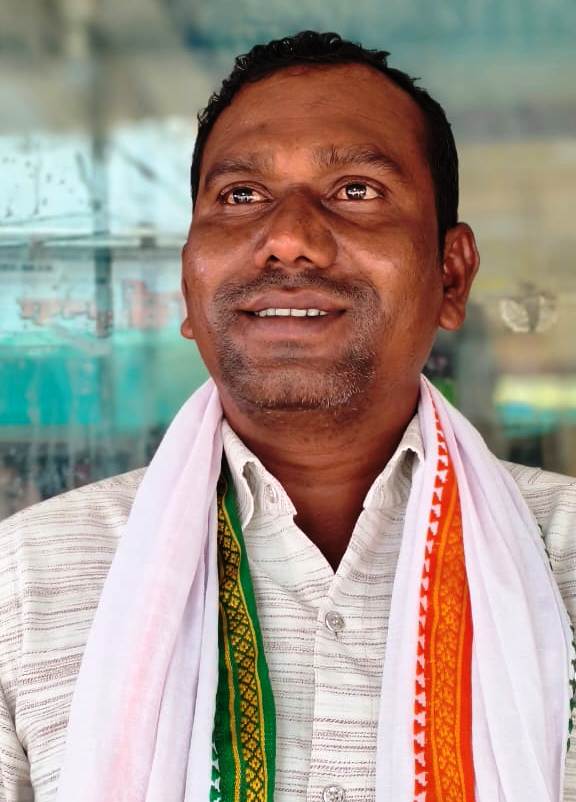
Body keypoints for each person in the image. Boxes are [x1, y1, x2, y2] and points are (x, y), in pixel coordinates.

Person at [1, 30, 575, 802]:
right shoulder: (24, 585)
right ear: (186, 282)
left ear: (451, 274)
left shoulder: (564, 553)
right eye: (241, 196)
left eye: (356, 191)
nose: (288, 239)